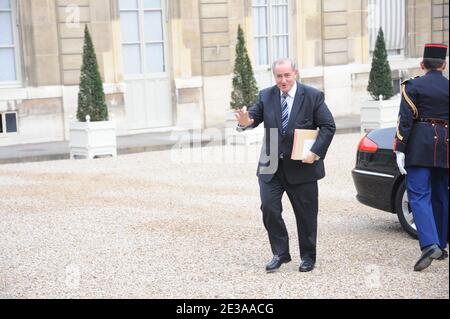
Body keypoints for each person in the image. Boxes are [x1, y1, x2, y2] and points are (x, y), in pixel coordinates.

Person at [235, 58, 336, 273]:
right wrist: (245, 122)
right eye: (279, 76)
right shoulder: (266, 95)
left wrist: (315, 152)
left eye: (287, 75)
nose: (283, 80)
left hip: (302, 167)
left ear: (295, 74)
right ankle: (280, 253)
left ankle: (308, 257)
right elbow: (253, 116)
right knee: (269, 208)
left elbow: (328, 126)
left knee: (306, 214)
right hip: (270, 165)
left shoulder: (312, 96)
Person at [394, 43, 449, 272]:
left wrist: (399, 148)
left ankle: (429, 244)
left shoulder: (413, 85)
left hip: (420, 146)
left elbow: (405, 120)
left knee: (418, 194)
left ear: (422, 64)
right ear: (444, 65)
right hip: (446, 145)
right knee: (441, 194)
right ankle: (441, 244)